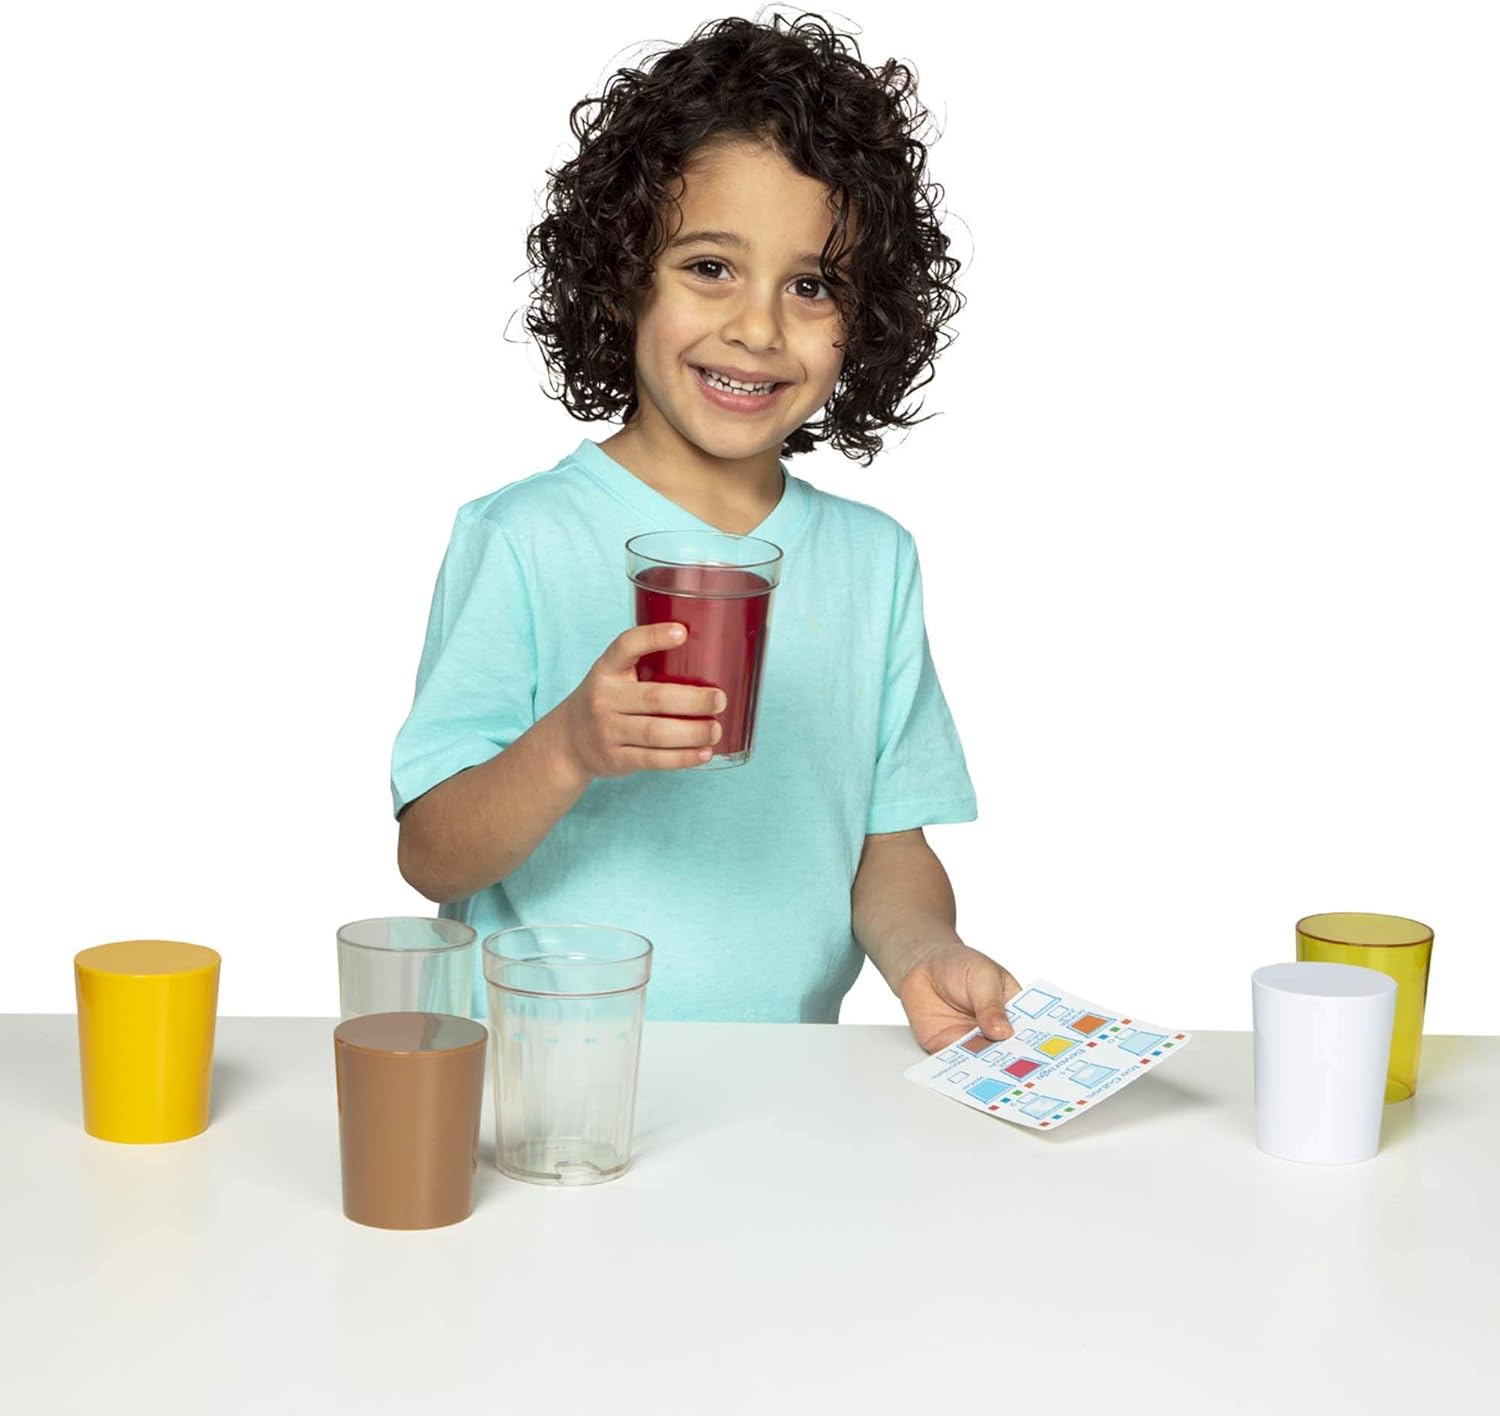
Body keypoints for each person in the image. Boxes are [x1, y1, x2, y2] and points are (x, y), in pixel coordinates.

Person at [391, 12, 1019, 1052]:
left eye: (811, 285)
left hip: (782, 1080)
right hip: (539, 1074)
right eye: (710, 268)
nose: (760, 328)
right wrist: (569, 748)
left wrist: (922, 952)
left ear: (865, 321)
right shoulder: (525, 536)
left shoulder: (875, 562)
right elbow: (433, 854)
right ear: (623, 275)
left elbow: (884, 845)